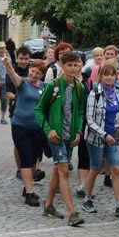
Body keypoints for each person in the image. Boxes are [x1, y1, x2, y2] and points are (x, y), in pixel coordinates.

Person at [35, 51, 87, 226]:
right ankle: (72, 213)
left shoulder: (80, 87)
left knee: (58, 170)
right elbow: (39, 110)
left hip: (70, 136)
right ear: (62, 67)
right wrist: (48, 130)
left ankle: (48, 205)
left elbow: (80, 112)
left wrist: (79, 131)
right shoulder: (53, 86)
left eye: (76, 64)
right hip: (55, 136)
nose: (73, 68)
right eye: (69, 65)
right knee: (64, 169)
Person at [3, 55, 48, 207]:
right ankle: (29, 193)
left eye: (38, 73)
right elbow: (13, 76)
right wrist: (8, 65)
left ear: (42, 75)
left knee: (35, 157)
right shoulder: (22, 83)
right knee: (26, 158)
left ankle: (27, 187)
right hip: (20, 127)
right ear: (29, 69)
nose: (34, 75)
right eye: (33, 71)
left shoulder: (43, 86)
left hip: (37, 128)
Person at [83, 62, 119, 216]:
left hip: (114, 137)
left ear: (116, 76)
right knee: (95, 168)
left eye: (112, 74)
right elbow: (90, 119)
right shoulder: (95, 93)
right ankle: (87, 198)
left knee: (116, 169)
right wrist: (104, 135)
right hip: (96, 137)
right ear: (101, 76)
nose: (109, 77)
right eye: (106, 74)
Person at [0, 41, 9, 124]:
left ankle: (3, 117)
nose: (1, 50)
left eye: (2, 48)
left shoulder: (7, 59)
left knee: (3, 100)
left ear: (5, 49)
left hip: (4, 82)